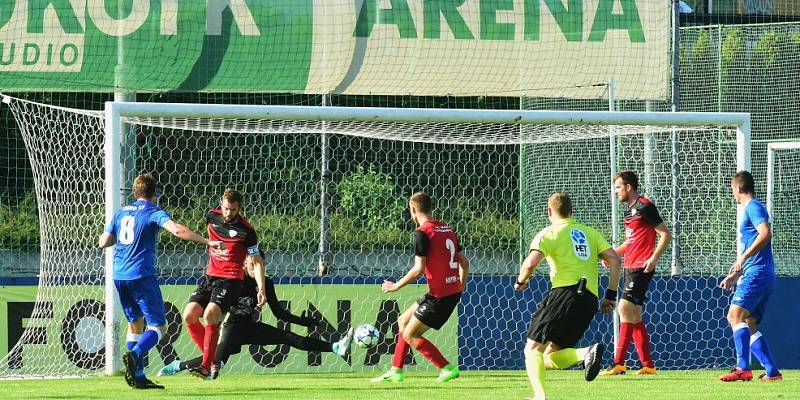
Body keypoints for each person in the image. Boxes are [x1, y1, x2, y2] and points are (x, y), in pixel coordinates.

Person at [98, 173, 220, 389]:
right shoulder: (153, 212)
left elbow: (104, 241)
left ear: (135, 193)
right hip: (141, 275)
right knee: (159, 326)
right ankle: (135, 354)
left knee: (135, 324)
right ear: (154, 195)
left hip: (119, 276)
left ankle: (139, 376)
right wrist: (206, 241)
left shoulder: (120, 213)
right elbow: (177, 230)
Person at [158, 253, 353, 378]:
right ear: (244, 263)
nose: (254, 268)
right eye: (251, 264)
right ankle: (177, 366)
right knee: (216, 361)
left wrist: (302, 321)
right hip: (230, 326)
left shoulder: (265, 283)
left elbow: (279, 312)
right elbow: (213, 303)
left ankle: (335, 347)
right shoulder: (233, 281)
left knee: (287, 337)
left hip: (248, 327)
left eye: (258, 265)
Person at [514, 192, 621, 400]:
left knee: (531, 349)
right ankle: (586, 353)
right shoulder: (590, 233)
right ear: (572, 211)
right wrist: (610, 294)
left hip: (564, 293)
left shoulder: (549, 233)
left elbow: (530, 263)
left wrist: (521, 281)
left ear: (549, 211)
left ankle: (539, 396)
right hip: (589, 299)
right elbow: (615, 260)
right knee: (549, 356)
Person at [372, 192, 469, 383]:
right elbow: (464, 263)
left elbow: (418, 269)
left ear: (413, 210)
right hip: (446, 292)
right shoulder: (448, 230)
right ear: (430, 208)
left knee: (410, 334)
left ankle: (447, 368)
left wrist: (395, 286)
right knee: (402, 321)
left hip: (440, 296)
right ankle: (396, 371)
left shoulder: (422, 233)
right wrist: (460, 286)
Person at [182, 189, 266, 379]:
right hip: (210, 276)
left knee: (211, 314)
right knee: (189, 315)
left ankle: (205, 367)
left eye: (234, 210)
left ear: (240, 209)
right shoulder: (211, 216)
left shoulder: (247, 231)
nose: (229, 213)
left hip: (231, 280)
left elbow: (257, 261)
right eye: (227, 209)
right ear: (221, 204)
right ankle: (212, 361)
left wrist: (261, 288)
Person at [601, 171, 671, 376]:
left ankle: (618, 363)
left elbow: (665, 234)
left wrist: (654, 258)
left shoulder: (645, 206)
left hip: (641, 267)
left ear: (628, 187)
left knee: (623, 308)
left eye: (617, 188)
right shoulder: (628, 212)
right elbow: (630, 242)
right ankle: (648, 365)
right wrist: (612, 256)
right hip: (629, 267)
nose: (615, 192)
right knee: (634, 314)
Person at [718, 171, 781, 382]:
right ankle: (772, 371)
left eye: (732, 190)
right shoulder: (753, 207)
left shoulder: (753, 206)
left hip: (758, 273)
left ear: (738, 188)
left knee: (734, 316)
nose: (732, 195)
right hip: (761, 273)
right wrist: (736, 275)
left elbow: (765, 233)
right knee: (748, 321)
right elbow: (759, 242)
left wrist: (743, 258)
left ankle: (742, 368)